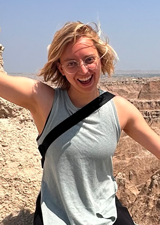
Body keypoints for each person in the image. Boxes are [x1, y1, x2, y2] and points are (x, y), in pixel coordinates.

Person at [0, 21, 160, 225]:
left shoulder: (120, 110)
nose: (83, 70)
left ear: (101, 60)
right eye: (72, 63)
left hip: (107, 216)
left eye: (89, 59)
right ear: (61, 67)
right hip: (57, 218)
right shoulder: (44, 101)